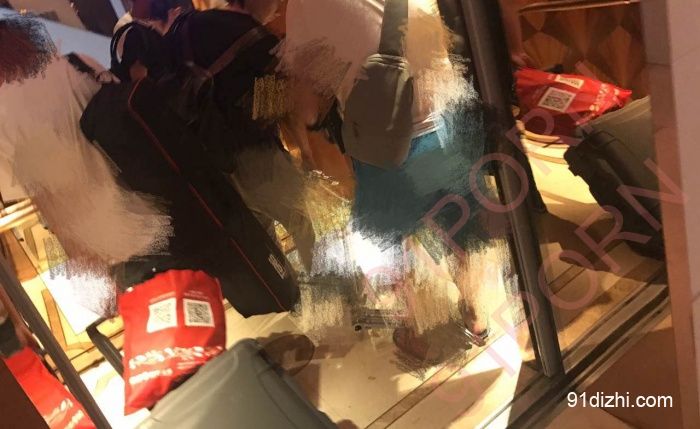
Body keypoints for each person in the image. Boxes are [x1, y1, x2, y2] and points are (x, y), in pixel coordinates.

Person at [0, 14, 172, 296]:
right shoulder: (76, 63)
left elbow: (46, 201)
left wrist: (97, 283)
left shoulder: (4, 118)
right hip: (164, 208)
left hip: (115, 249)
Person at [165, 0, 319, 272]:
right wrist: (306, 154)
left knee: (263, 240)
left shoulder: (189, 27)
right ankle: (330, 288)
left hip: (211, 168)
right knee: (301, 226)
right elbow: (291, 109)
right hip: (257, 159)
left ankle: (284, 288)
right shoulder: (255, 38)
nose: (278, 10)